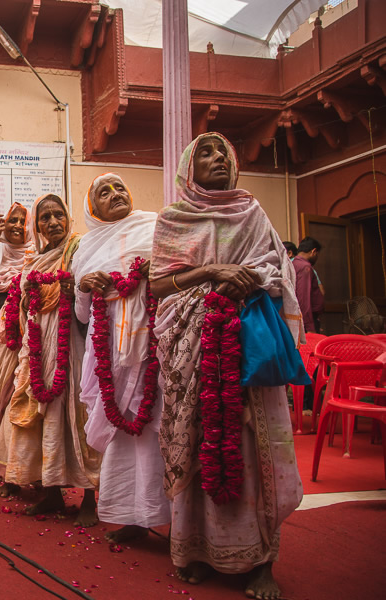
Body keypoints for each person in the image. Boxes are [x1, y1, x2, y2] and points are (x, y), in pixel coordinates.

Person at [150, 132, 303, 600]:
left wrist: (251, 279)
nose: (218, 159)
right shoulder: (172, 219)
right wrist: (212, 274)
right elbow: (158, 285)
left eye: (224, 153)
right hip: (189, 348)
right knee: (195, 440)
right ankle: (196, 549)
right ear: (187, 168)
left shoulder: (253, 213)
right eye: (206, 153)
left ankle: (262, 562)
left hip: (247, 348)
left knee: (254, 447)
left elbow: (279, 269)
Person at [71, 173, 170, 543]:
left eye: (119, 188)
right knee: (125, 433)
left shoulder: (156, 226)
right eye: (104, 192)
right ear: (92, 208)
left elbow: (178, 276)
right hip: (109, 350)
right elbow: (82, 315)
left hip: (155, 345)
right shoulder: (86, 247)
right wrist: (84, 287)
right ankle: (133, 519)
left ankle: (176, 518)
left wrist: (153, 271)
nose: (115, 194)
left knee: (160, 427)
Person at [1, 194, 101, 526]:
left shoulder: (79, 250)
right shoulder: (35, 261)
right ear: (38, 225)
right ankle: (51, 492)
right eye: (45, 218)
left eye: (59, 215)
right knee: (41, 417)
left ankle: (89, 496)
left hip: (72, 342)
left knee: (76, 414)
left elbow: (91, 294)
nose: (53, 222)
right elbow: (24, 307)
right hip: (38, 345)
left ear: (68, 217)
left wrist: (76, 293)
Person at [0, 202, 35, 495]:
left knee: (23, 394)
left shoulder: (38, 254)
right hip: (1, 333)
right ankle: (8, 469)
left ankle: (26, 470)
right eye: (11, 220)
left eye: (22, 221)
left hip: (32, 330)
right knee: (3, 396)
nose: (16, 225)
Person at [292, 236, 324, 334]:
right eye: (317, 254)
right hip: (305, 321)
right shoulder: (305, 267)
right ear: (313, 251)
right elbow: (303, 298)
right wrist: (309, 327)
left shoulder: (293, 263)